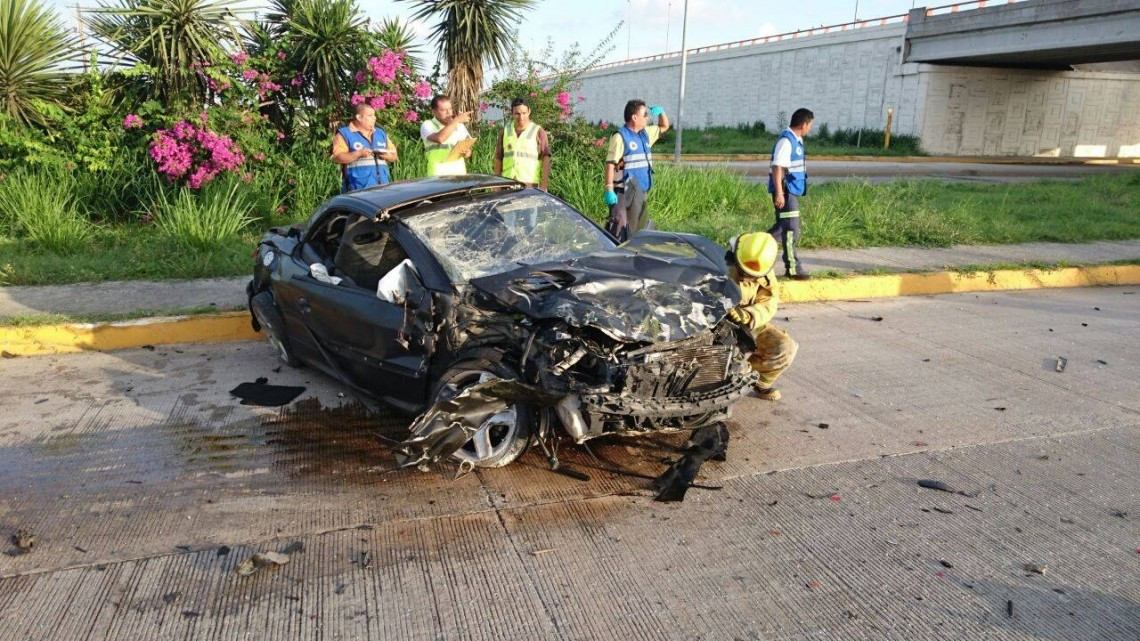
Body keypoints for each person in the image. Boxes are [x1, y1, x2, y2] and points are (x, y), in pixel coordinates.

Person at [724, 231, 798, 401]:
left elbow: (768, 302)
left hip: (747, 323)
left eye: (751, 275)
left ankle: (759, 382)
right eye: (743, 271)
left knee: (785, 348)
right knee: (722, 362)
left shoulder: (764, 271)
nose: (746, 277)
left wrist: (749, 315)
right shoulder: (719, 263)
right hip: (716, 322)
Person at [604, 99, 669, 242]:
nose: (647, 117)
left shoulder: (645, 133)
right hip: (624, 191)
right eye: (644, 114)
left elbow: (664, 126)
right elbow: (610, 164)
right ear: (634, 117)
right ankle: (616, 253)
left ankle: (634, 251)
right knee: (619, 228)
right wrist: (609, 189)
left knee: (637, 227)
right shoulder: (620, 137)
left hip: (641, 189)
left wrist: (661, 113)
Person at [768, 107, 814, 280]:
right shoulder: (786, 141)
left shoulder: (796, 140)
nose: (810, 128)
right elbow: (777, 167)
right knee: (790, 230)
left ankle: (745, 247)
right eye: (810, 125)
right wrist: (779, 193)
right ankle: (793, 268)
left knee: (782, 228)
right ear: (804, 124)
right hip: (785, 192)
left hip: (791, 190)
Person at [332, 103, 397, 192]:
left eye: (374, 115)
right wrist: (359, 153)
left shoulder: (380, 133)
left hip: (383, 187)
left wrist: (388, 156)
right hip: (357, 189)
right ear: (359, 117)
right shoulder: (345, 134)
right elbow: (337, 158)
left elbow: (394, 155)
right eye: (370, 115)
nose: (374, 118)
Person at [493, 97, 551, 191]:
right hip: (506, 184)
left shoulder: (538, 132)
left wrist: (544, 186)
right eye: (517, 114)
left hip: (529, 186)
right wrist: (496, 185)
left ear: (529, 112)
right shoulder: (505, 132)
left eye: (524, 113)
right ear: (512, 113)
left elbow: (546, 158)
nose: (521, 117)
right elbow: (498, 158)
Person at [420, 95, 473, 176]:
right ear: (434, 112)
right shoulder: (428, 125)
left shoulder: (459, 126)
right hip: (438, 174)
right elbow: (440, 138)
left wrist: (467, 152)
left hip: (459, 174)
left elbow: (468, 145)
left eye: (450, 109)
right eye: (443, 110)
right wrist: (456, 120)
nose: (448, 113)